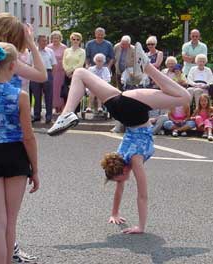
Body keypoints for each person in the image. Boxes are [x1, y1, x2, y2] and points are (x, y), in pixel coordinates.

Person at [47, 42, 191, 233]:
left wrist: (141, 226)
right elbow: (119, 188)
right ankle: (66, 114)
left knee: (185, 97)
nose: (123, 180)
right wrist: (114, 213)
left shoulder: (134, 159)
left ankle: (147, 66)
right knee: (81, 74)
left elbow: (142, 196)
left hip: (134, 109)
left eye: (120, 177)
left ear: (123, 168)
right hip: (119, 108)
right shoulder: (121, 157)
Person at [0, 12, 46, 263]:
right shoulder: (14, 76)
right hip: (15, 149)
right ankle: (6, 252)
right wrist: (33, 42)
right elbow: (42, 75)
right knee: (9, 219)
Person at [30, 35, 57, 124]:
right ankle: (37, 115)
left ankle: (48, 116)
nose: (45, 42)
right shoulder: (33, 52)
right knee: (37, 96)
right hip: (35, 73)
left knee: (48, 96)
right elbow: (30, 64)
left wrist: (51, 76)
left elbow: (54, 65)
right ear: (38, 42)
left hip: (47, 72)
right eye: (43, 41)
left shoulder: (50, 51)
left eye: (46, 41)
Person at [62, 32, 85, 112]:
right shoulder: (66, 50)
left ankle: (75, 111)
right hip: (67, 74)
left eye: (77, 39)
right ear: (71, 40)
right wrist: (66, 71)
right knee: (66, 93)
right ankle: (67, 111)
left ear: (80, 41)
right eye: (73, 39)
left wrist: (71, 71)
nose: (75, 41)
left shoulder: (82, 51)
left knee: (76, 92)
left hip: (76, 74)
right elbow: (64, 62)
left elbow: (81, 63)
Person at [47, 30, 67, 113]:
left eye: (57, 38)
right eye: (54, 38)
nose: (55, 40)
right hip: (52, 71)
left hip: (61, 71)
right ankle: (53, 106)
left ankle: (61, 106)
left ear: (60, 39)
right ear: (51, 39)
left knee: (60, 89)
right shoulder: (48, 47)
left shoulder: (64, 47)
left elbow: (66, 59)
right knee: (52, 89)